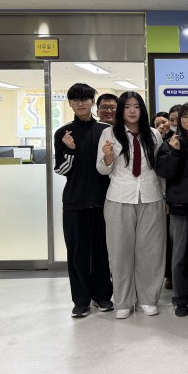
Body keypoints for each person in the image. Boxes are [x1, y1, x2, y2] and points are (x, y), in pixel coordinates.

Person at [97, 92, 167, 320]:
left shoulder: (154, 134)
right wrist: (108, 157)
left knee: (151, 252)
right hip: (119, 198)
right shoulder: (109, 133)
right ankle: (123, 301)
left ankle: (148, 299)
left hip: (151, 197)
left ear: (142, 110)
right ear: (121, 110)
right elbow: (102, 169)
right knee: (120, 252)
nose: (132, 110)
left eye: (137, 106)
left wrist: (165, 197)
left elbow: (160, 169)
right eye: (127, 106)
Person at [54, 83, 114, 318]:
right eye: (75, 100)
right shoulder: (63, 133)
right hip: (74, 202)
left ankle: (103, 296)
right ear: (70, 103)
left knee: (101, 251)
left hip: (103, 201)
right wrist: (69, 150)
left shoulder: (105, 130)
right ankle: (80, 300)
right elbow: (61, 170)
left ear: (92, 102)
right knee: (77, 253)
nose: (80, 103)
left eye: (85, 99)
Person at [156, 103, 188, 317]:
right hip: (180, 207)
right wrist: (175, 152)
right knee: (179, 256)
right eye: (185, 117)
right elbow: (165, 172)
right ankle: (180, 298)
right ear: (179, 121)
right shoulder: (170, 143)